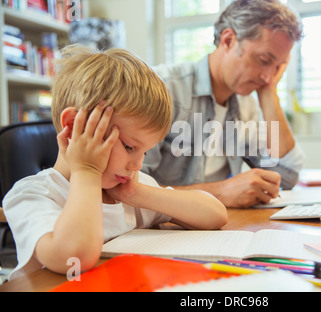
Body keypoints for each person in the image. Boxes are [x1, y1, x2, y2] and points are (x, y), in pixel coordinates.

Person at [3, 45, 227, 279]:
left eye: (145, 152)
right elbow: (75, 259)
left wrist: (139, 194)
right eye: (130, 147)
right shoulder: (32, 195)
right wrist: (87, 172)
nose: (137, 165)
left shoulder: (126, 191)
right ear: (72, 127)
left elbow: (215, 214)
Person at [142, 0, 305, 208]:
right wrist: (220, 192)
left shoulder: (246, 104)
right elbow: (128, 188)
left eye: (278, 67)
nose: (268, 75)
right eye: (264, 60)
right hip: (160, 232)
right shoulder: (160, 89)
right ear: (228, 40)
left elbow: (286, 175)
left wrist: (269, 92)